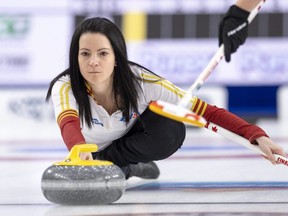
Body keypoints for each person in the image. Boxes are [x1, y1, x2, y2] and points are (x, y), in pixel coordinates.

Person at [46, 17, 285, 180]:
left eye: (103, 53)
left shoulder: (145, 83)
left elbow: (207, 113)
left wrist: (256, 134)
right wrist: (78, 149)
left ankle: (120, 164)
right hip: (89, 148)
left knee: (171, 128)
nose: (93, 62)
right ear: (75, 58)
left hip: (126, 142)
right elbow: (68, 122)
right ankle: (128, 167)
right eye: (84, 54)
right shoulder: (65, 86)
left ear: (116, 58)